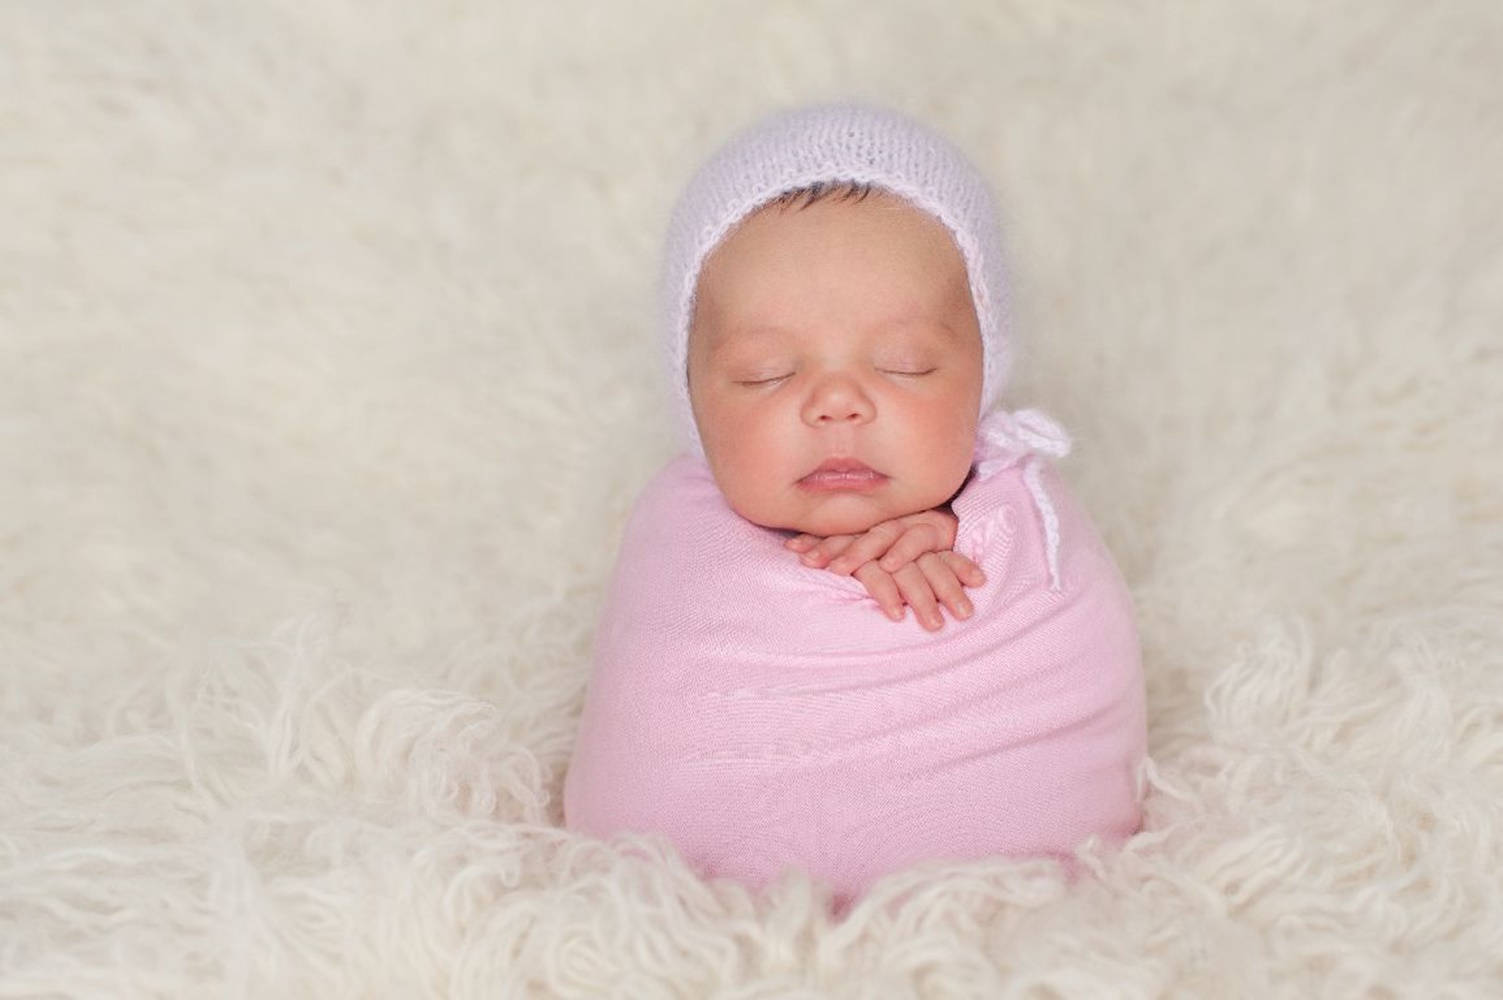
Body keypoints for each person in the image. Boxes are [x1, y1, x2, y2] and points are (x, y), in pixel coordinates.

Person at [563, 102, 1147, 916]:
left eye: (905, 365)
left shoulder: (1024, 509)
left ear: (981, 373)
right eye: (766, 373)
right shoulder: (671, 530)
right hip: (696, 925)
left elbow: (1066, 629)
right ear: (692, 397)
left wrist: (963, 541)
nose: (837, 403)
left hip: (1003, 926)